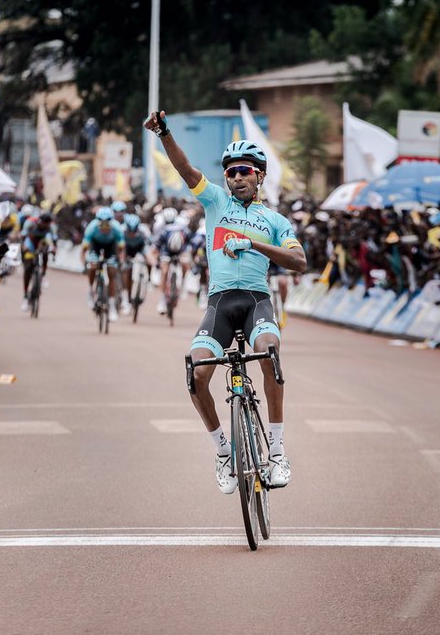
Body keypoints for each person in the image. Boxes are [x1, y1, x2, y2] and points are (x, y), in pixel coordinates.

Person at [145, 111, 306, 493]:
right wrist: (164, 133)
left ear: (259, 175)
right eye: (231, 172)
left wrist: (254, 244)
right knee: (196, 374)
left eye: (244, 171)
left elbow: (299, 261)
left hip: (256, 302)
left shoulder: (275, 220)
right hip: (219, 304)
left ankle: (277, 452)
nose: (237, 177)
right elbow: (185, 170)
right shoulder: (216, 202)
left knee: (269, 353)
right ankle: (222, 452)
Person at [81, 206, 124, 319]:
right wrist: (85, 264)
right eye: (102, 224)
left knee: (111, 272)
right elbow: (83, 250)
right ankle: (90, 291)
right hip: (95, 246)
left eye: (107, 224)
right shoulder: (91, 228)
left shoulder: (117, 228)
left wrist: (120, 260)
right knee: (93, 267)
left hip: (110, 247)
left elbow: (121, 248)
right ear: (98, 221)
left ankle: (112, 305)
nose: (104, 227)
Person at [152, 206, 194, 315]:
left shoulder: (182, 226)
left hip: (180, 249)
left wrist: (189, 250)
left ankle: (183, 285)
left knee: (185, 264)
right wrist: (156, 254)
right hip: (166, 250)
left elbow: (190, 240)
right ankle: (162, 300)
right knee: (164, 272)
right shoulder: (160, 226)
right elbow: (157, 243)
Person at [20, 212, 57, 312]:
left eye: (47, 224)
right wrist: (24, 248)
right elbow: (23, 238)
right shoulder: (30, 223)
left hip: (42, 241)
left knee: (45, 252)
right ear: (40, 222)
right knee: (28, 268)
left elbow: (53, 240)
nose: (45, 226)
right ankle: (25, 296)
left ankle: (43, 275)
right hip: (30, 242)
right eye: (44, 224)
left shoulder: (51, 227)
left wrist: (54, 250)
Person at [119, 212, 151, 314]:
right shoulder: (121, 230)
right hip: (127, 250)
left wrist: (150, 260)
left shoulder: (144, 230)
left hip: (140, 249)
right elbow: (120, 248)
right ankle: (125, 299)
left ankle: (148, 280)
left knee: (150, 261)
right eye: (130, 230)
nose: (132, 233)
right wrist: (122, 260)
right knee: (125, 271)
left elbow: (149, 245)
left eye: (134, 230)